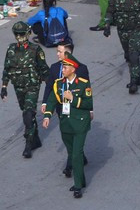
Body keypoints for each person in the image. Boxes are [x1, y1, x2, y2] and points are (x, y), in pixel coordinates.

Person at [41, 53, 92, 199]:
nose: (63, 69)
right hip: (66, 124)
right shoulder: (59, 84)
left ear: (73, 69)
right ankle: (81, 180)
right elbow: (51, 100)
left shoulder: (83, 84)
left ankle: (77, 186)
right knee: (73, 153)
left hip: (80, 122)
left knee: (76, 154)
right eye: (63, 67)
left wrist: (73, 98)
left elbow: (88, 104)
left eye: (66, 67)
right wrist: (47, 116)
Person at [2, 21, 49, 158]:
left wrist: (51, 84)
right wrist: (4, 87)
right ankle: (35, 139)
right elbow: (7, 69)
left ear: (27, 34)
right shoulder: (11, 49)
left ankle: (28, 144)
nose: (19, 37)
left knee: (28, 113)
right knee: (27, 112)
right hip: (18, 86)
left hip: (32, 86)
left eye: (21, 34)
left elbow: (43, 67)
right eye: (17, 34)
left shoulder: (35, 50)